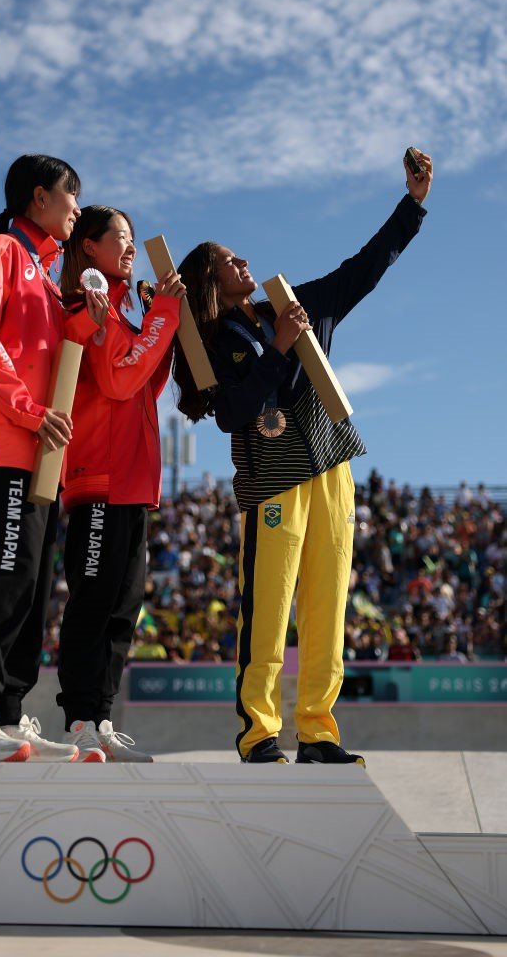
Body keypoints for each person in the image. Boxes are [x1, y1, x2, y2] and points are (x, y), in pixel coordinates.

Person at [173, 150, 433, 765]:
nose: (245, 262)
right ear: (210, 281)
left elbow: (360, 271)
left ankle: (318, 731)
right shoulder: (212, 343)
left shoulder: (288, 306)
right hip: (273, 481)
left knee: (327, 607)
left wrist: (412, 205)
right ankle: (258, 732)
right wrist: (279, 349)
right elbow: (232, 412)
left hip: (332, 469)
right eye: (229, 259)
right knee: (267, 612)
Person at [0, 155, 109, 764]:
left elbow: (48, 350)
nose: (77, 208)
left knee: (33, 590)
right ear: (38, 197)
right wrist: (29, 411)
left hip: (37, 452)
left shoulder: (43, 272)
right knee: (4, 581)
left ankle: (6, 714)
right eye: (71, 195)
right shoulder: (2, 251)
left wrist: (87, 326)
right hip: (0, 445)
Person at [55, 205, 184, 761]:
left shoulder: (125, 311)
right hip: (100, 478)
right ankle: (81, 721)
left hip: (132, 482)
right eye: (121, 238)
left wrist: (159, 322)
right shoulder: (90, 301)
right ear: (89, 246)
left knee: (122, 607)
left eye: (132, 239)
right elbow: (115, 378)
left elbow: (143, 387)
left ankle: (100, 722)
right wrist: (163, 321)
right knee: (94, 603)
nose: (130, 248)